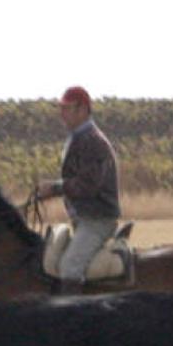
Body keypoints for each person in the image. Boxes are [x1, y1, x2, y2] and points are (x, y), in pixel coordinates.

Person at [33, 85, 121, 295]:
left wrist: (54, 188)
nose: (61, 114)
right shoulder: (80, 138)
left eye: (67, 108)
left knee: (70, 266)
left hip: (97, 220)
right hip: (86, 220)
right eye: (61, 108)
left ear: (82, 110)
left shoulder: (92, 141)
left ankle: (74, 320)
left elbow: (89, 185)